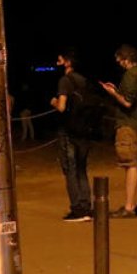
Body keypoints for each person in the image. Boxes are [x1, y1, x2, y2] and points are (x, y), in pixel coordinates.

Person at [100, 44, 137, 218]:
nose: (119, 64)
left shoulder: (131, 75)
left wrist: (112, 92)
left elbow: (127, 102)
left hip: (129, 125)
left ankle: (129, 206)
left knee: (130, 165)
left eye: (120, 61)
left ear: (127, 59)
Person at [51, 49, 92, 222]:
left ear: (68, 62)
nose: (58, 60)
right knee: (82, 169)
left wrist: (53, 102)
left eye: (60, 57)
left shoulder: (65, 80)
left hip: (69, 131)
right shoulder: (83, 80)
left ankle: (77, 209)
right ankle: (86, 206)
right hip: (84, 130)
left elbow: (61, 106)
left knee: (70, 170)